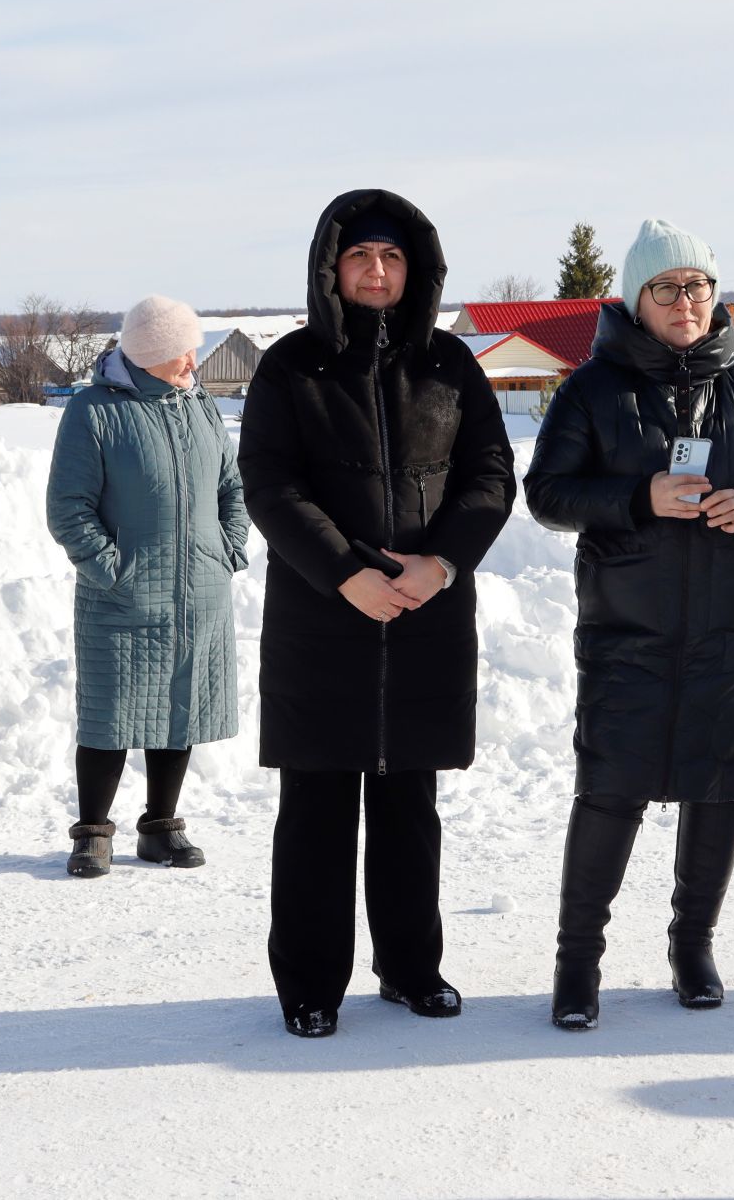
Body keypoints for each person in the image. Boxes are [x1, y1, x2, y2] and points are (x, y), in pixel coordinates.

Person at [523, 220, 734, 1030]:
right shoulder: (592, 390)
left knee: (719, 790)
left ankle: (694, 945)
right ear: (636, 299)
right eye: (667, 288)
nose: (686, 302)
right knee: (610, 792)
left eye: (698, 287)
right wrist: (635, 498)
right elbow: (547, 493)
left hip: (730, 636)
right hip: (630, 634)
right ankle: (576, 962)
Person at [239, 189, 517, 1037]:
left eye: (391, 257)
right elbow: (271, 487)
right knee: (317, 815)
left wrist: (442, 562)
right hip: (323, 624)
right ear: (333, 267)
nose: (376, 269)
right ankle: (311, 985)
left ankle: (410, 967)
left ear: (416, 269)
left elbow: (491, 476)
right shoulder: (290, 367)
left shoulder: (450, 366)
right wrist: (344, 575)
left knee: (409, 811)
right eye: (360, 255)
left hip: (424, 618)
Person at [45, 295, 248, 877]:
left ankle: (161, 825)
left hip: (199, 591)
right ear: (151, 352)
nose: (193, 361)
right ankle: (92, 831)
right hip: (121, 594)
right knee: (110, 712)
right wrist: (111, 568)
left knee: (178, 707)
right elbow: (69, 507)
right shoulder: (94, 411)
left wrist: (227, 549)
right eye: (183, 350)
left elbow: (232, 489)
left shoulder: (201, 405)